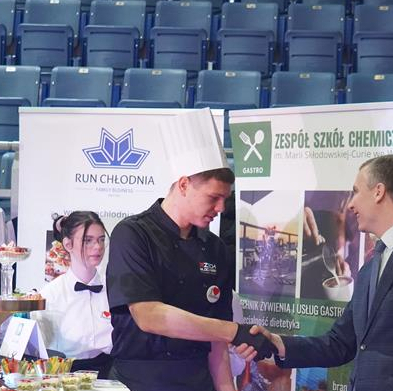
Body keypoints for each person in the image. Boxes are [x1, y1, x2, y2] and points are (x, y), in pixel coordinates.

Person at [258, 155, 393, 391]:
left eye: (355, 192)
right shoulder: (370, 268)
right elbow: (339, 344)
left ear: (378, 192)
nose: (351, 204)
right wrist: (276, 343)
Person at [106, 167, 275, 391]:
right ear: (184, 185)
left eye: (225, 199)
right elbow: (148, 315)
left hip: (198, 379)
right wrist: (233, 331)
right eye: (214, 197)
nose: (221, 208)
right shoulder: (133, 234)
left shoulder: (216, 249)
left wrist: (227, 387)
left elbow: (217, 344)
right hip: (138, 381)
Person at [31, 211, 114, 378]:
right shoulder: (49, 295)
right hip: (66, 377)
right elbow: (39, 351)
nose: (98, 247)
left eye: (101, 239)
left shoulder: (115, 288)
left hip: (112, 375)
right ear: (68, 244)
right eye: (88, 240)